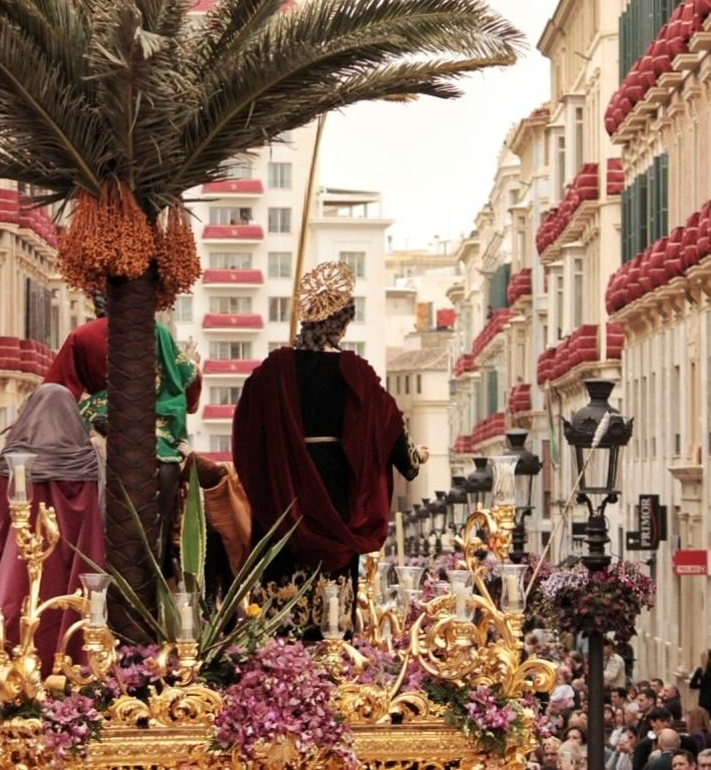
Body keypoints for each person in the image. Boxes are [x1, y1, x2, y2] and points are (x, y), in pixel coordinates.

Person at [231, 260, 428, 630]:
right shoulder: (354, 372)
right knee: (331, 604)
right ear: (343, 323)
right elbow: (387, 426)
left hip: (283, 490)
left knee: (282, 581)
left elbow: (244, 434)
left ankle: (277, 662)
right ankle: (333, 657)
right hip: (336, 491)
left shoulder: (272, 371)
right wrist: (413, 460)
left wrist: (269, 475)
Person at [42, 294, 202, 567]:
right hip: (153, 419)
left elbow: (57, 389)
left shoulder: (80, 335)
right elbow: (187, 383)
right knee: (172, 480)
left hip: (94, 419)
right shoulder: (158, 333)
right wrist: (192, 363)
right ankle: (163, 555)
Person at [0, 383, 103, 669]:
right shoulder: (89, 463)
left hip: (21, 574)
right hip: (79, 569)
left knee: (16, 628)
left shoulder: (14, 463)